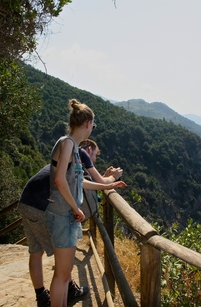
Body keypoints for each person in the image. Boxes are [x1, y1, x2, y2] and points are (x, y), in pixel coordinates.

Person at [18, 142, 124, 304]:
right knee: (64, 252)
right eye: (94, 156)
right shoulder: (80, 153)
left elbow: (81, 182)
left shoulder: (66, 157)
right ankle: (68, 290)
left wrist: (106, 183)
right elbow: (92, 182)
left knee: (35, 251)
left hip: (26, 201)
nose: (93, 161)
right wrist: (112, 178)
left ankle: (42, 297)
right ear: (89, 150)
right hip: (41, 207)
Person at [46, 99, 127, 307]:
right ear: (88, 123)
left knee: (64, 275)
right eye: (94, 125)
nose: (93, 128)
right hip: (64, 215)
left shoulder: (71, 146)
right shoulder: (67, 144)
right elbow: (59, 179)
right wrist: (75, 208)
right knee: (62, 276)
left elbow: (80, 182)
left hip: (67, 216)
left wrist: (108, 186)